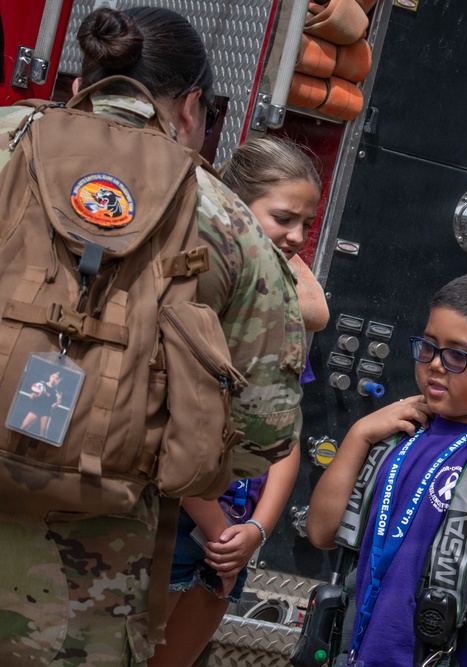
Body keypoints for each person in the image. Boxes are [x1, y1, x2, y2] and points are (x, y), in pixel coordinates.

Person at [0, 7, 304, 666]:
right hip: (85, 601)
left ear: (88, 72)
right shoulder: (228, 223)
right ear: (192, 106)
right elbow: (259, 436)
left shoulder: (4, 143)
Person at [306, 272, 467, 665]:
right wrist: (357, 436)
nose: (435, 365)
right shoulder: (397, 435)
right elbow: (321, 532)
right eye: (427, 346)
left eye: (458, 355)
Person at [149, 136, 327, 667]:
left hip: (233, 540)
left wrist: (256, 530)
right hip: (182, 523)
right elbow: (165, 427)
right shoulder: (196, 299)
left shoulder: (276, 317)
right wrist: (217, 528)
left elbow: (285, 428)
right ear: (230, 206)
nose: (296, 238)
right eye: (284, 218)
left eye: (307, 225)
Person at [19, 370, 62, 439]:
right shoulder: (41, 384)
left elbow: (52, 407)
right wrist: (33, 395)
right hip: (36, 408)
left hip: (46, 412)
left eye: (56, 379)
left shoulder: (56, 392)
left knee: (43, 433)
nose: (54, 379)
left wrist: (57, 403)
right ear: (50, 376)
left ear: (58, 381)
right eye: (53, 377)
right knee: (23, 427)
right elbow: (32, 396)